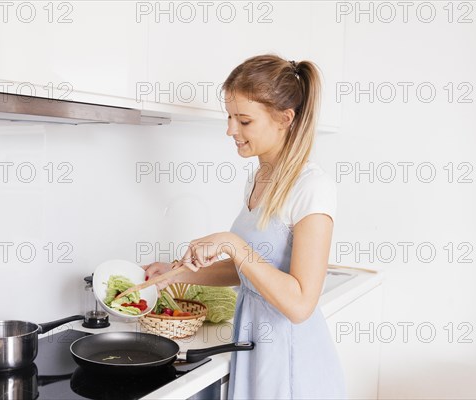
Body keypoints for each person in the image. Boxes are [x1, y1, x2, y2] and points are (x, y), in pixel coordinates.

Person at [142, 54, 346, 399]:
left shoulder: (312, 186)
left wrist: (232, 243)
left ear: (285, 118)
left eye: (244, 120)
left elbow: (299, 305)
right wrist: (175, 274)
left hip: (292, 360)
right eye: (229, 116)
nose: (230, 130)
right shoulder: (259, 177)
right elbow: (248, 272)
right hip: (255, 344)